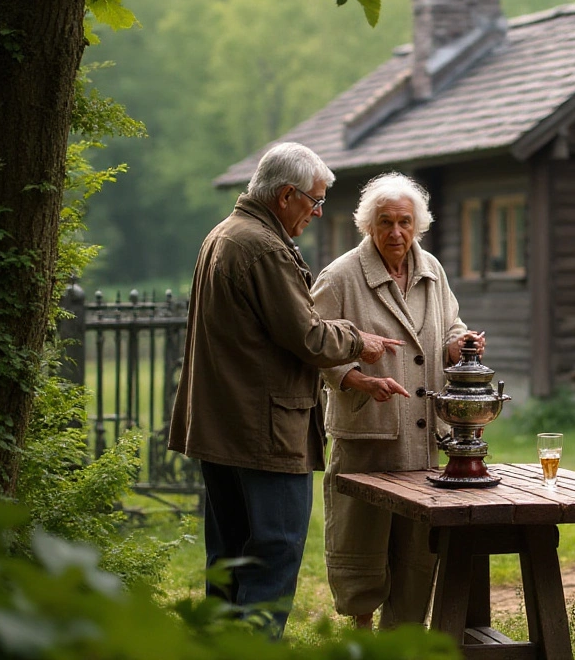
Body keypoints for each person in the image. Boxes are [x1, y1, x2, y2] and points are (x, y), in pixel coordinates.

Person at [168, 142, 401, 638]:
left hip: (222, 428)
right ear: (286, 195)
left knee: (229, 559)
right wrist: (361, 340)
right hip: (263, 431)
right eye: (314, 201)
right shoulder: (264, 247)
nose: (317, 213)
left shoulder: (224, 234)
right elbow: (308, 336)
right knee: (273, 556)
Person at [312, 171, 484, 630]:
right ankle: (363, 638)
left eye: (405, 222)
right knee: (361, 545)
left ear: (418, 225)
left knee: (416, 551)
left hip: (425, 439)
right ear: (369, 225)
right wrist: (356, 379)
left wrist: (458, 343)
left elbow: (449, 324)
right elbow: (311, 345)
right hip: (368, 438)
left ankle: (401, 641)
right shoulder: (342, 276)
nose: (396, 232)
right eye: (385, 222)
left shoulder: (431, 270)